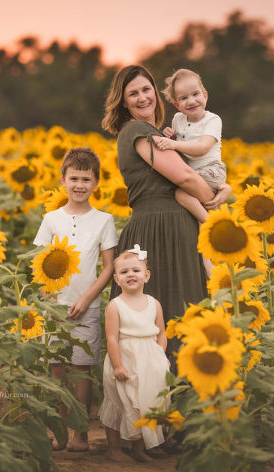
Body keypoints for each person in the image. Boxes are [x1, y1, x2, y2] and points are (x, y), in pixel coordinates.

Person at [101, 65, 231, 342]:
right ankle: (167, 381)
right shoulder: (138, 130)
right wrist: (214, 203)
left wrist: (223, 187)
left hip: (168, 227)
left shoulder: (163, 132)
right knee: (171, 313)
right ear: (123, 102)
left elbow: (199, 167)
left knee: (177, 314)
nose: (142, 97)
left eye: (146, 89)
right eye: (133, 93)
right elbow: (184, 176)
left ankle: (177, 381)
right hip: (161, 230)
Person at [33, 147, 118, 452]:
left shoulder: (104, 220)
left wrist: (85, 299)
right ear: (63, 180)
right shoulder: (51, 219)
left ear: (96, 182)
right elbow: (39, 263)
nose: (80, 185)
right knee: (57, 371)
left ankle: (80, 435)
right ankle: (59, 432)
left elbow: (109, 267)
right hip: (55, 306)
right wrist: (48, 301)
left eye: (86, 179)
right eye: (74, 178)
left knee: (82, 371)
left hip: (88, 306)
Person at [99, 247, 169, 462]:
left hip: (149, 361)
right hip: (124, 358)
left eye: (136, 270)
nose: (130, 274)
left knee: (143, 402)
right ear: (116, 279)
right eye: (124, 272)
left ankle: (139, 449)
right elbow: (112, 338)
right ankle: (114, 448)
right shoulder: (115, 305)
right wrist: (118, 365)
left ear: (146, 276)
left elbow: (162, 333)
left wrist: (159, 356)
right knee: (118, 401)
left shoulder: (154, 304)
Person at [157, 68, 226, 224]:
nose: (191, 101)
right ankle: (204, 221)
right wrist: (169, 136)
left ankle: (210, 224)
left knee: (180, 195)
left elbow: (202, 148)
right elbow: (178, 142)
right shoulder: (177, 119)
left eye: (196, 94)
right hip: (192, 173)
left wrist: (174, 144)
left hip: (211, 170)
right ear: (177, 105)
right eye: (184, 98)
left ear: (205, 95)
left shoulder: (212, 120)